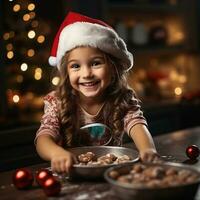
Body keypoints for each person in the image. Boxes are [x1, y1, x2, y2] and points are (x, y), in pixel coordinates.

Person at [35, 11, 160, 173]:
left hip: (112, 172)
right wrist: (57, 153)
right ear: (66, 71)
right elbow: (43, 139)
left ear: (113, 68)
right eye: (75, 66)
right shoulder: (57, 101)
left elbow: (137, 125)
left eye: (95, 63)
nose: (86, 74)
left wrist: (147, 149)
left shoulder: (122, 98)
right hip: (71, 174)